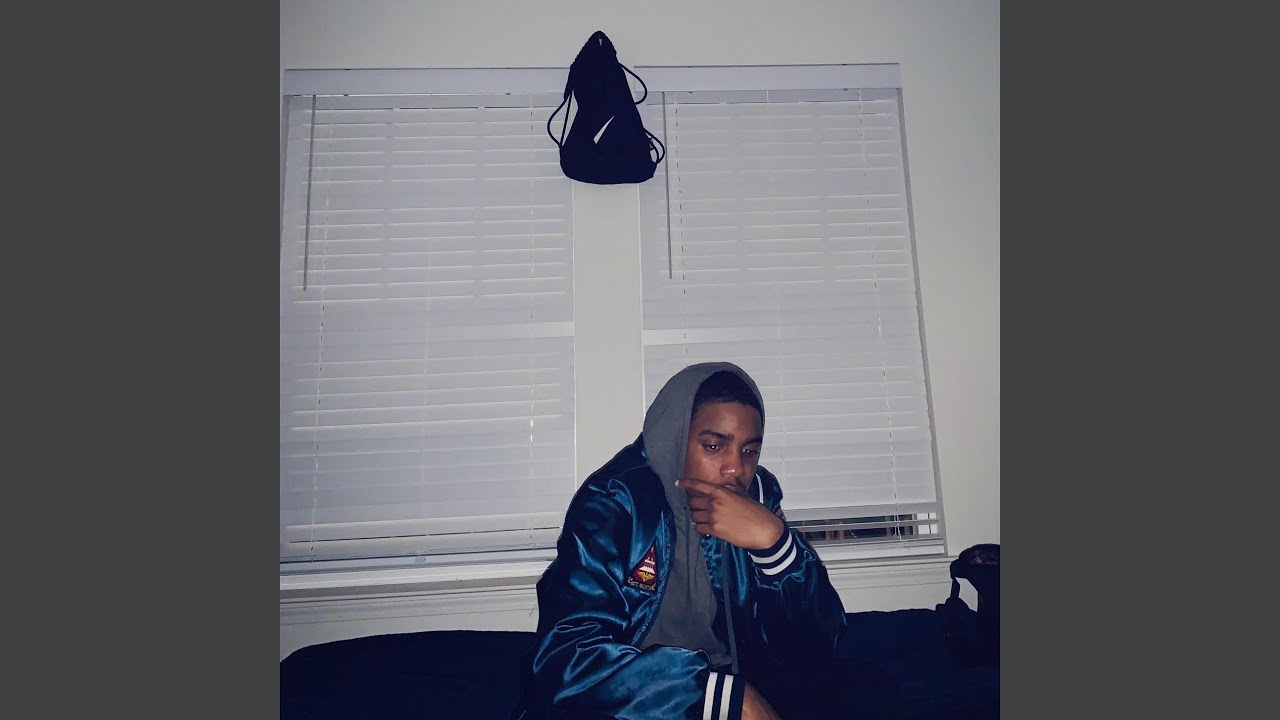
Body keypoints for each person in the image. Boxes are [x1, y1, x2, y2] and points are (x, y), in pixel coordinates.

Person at [513, 362, 902, 720]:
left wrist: (775, 544)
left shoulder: (758, 496)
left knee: (868, 691)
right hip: (641, 696)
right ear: (675, 438)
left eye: (749, 450)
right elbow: (567, 656)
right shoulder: (615, 501)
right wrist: (718, 697)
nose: (736, 469)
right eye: (714, 446)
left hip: (734, 677)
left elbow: (816, 646)